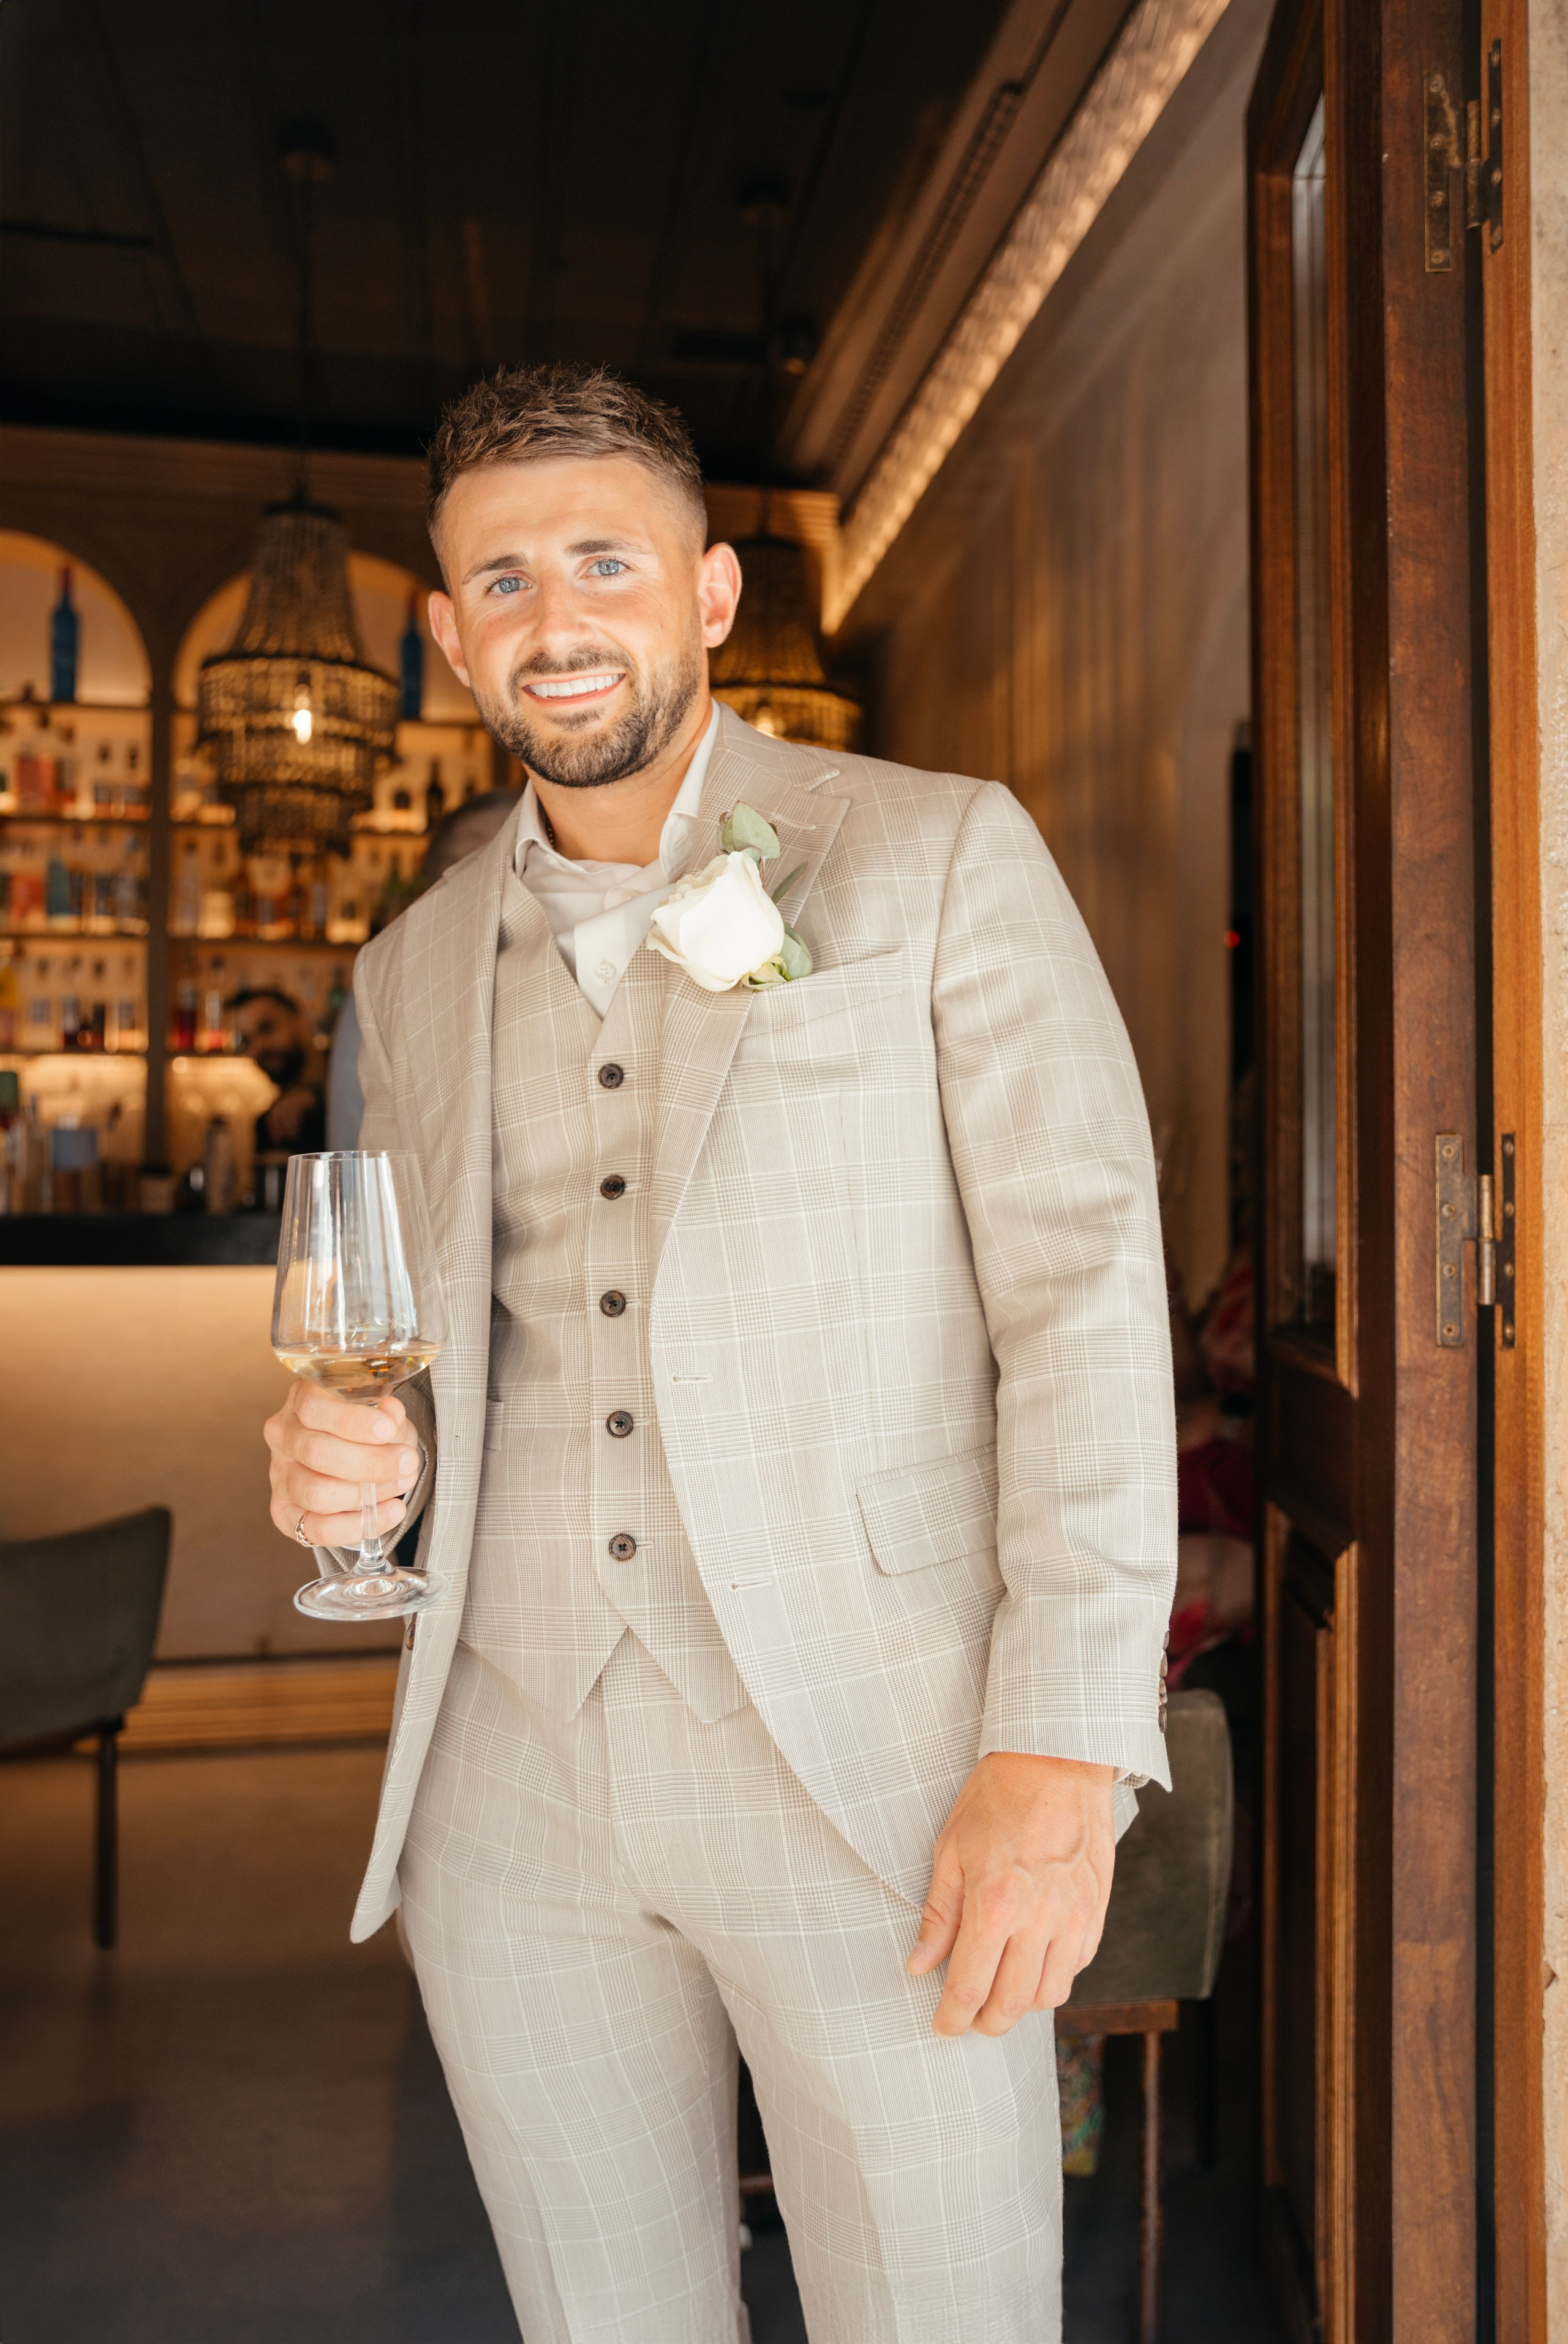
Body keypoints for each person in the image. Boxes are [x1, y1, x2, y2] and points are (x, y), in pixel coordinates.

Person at [263, 363, 1175, 2342]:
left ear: (711, 591)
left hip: (881, 1763)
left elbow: (1082, 1304)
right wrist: (366, 1458)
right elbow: (428, 1345)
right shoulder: (408, 964)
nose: (555, 615)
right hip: (509, 1780)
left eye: (606, 558)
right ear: (444, 632)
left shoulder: (938, 852)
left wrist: (1064, 1743)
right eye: (502, 578)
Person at [326, 788, 521, 1148]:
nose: (498, 876)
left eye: (519, 854)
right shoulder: (385, 984)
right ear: (436, 882)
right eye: (475, 860)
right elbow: (354, 1142)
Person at [232, 985, 326, 1155]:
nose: (257, 1047)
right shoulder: (269, 1124)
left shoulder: (350, 1076)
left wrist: (315, 1095)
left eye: (266, 1029)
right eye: (247, 1040)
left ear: (302, 1023)